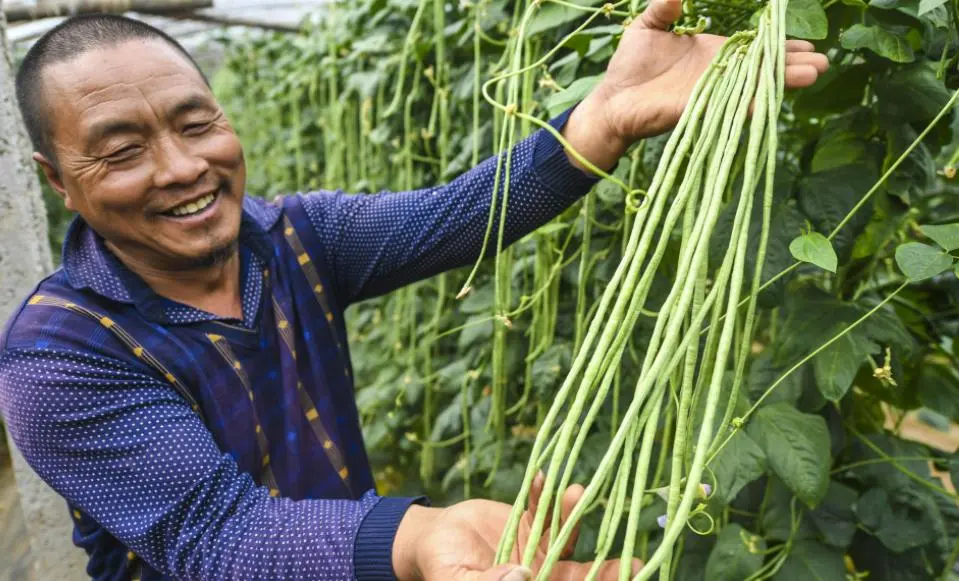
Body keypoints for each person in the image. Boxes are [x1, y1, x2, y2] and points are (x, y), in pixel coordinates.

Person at [0, 1, 827, 580]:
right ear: (57, 182)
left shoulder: (294, 237)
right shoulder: (56, 356)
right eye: (120, 149)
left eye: (195, 123)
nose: (182, 168)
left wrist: (599, 119)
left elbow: (456, 215)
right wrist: (417, 533)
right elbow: (219, 536)